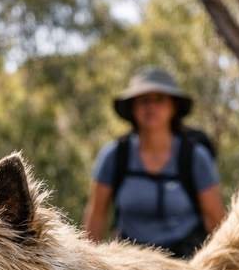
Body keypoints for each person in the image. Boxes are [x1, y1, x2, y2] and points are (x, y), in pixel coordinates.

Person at [82, 68, 226, 257]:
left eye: (159, 99)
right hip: (129, 268)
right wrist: (86, 269)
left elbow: (215, 219)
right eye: (143, 100)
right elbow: (96, 215)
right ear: (132, 108)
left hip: (187, 267)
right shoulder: (115, 156)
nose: (151, 107)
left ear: (173, 107)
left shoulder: (195, 157)